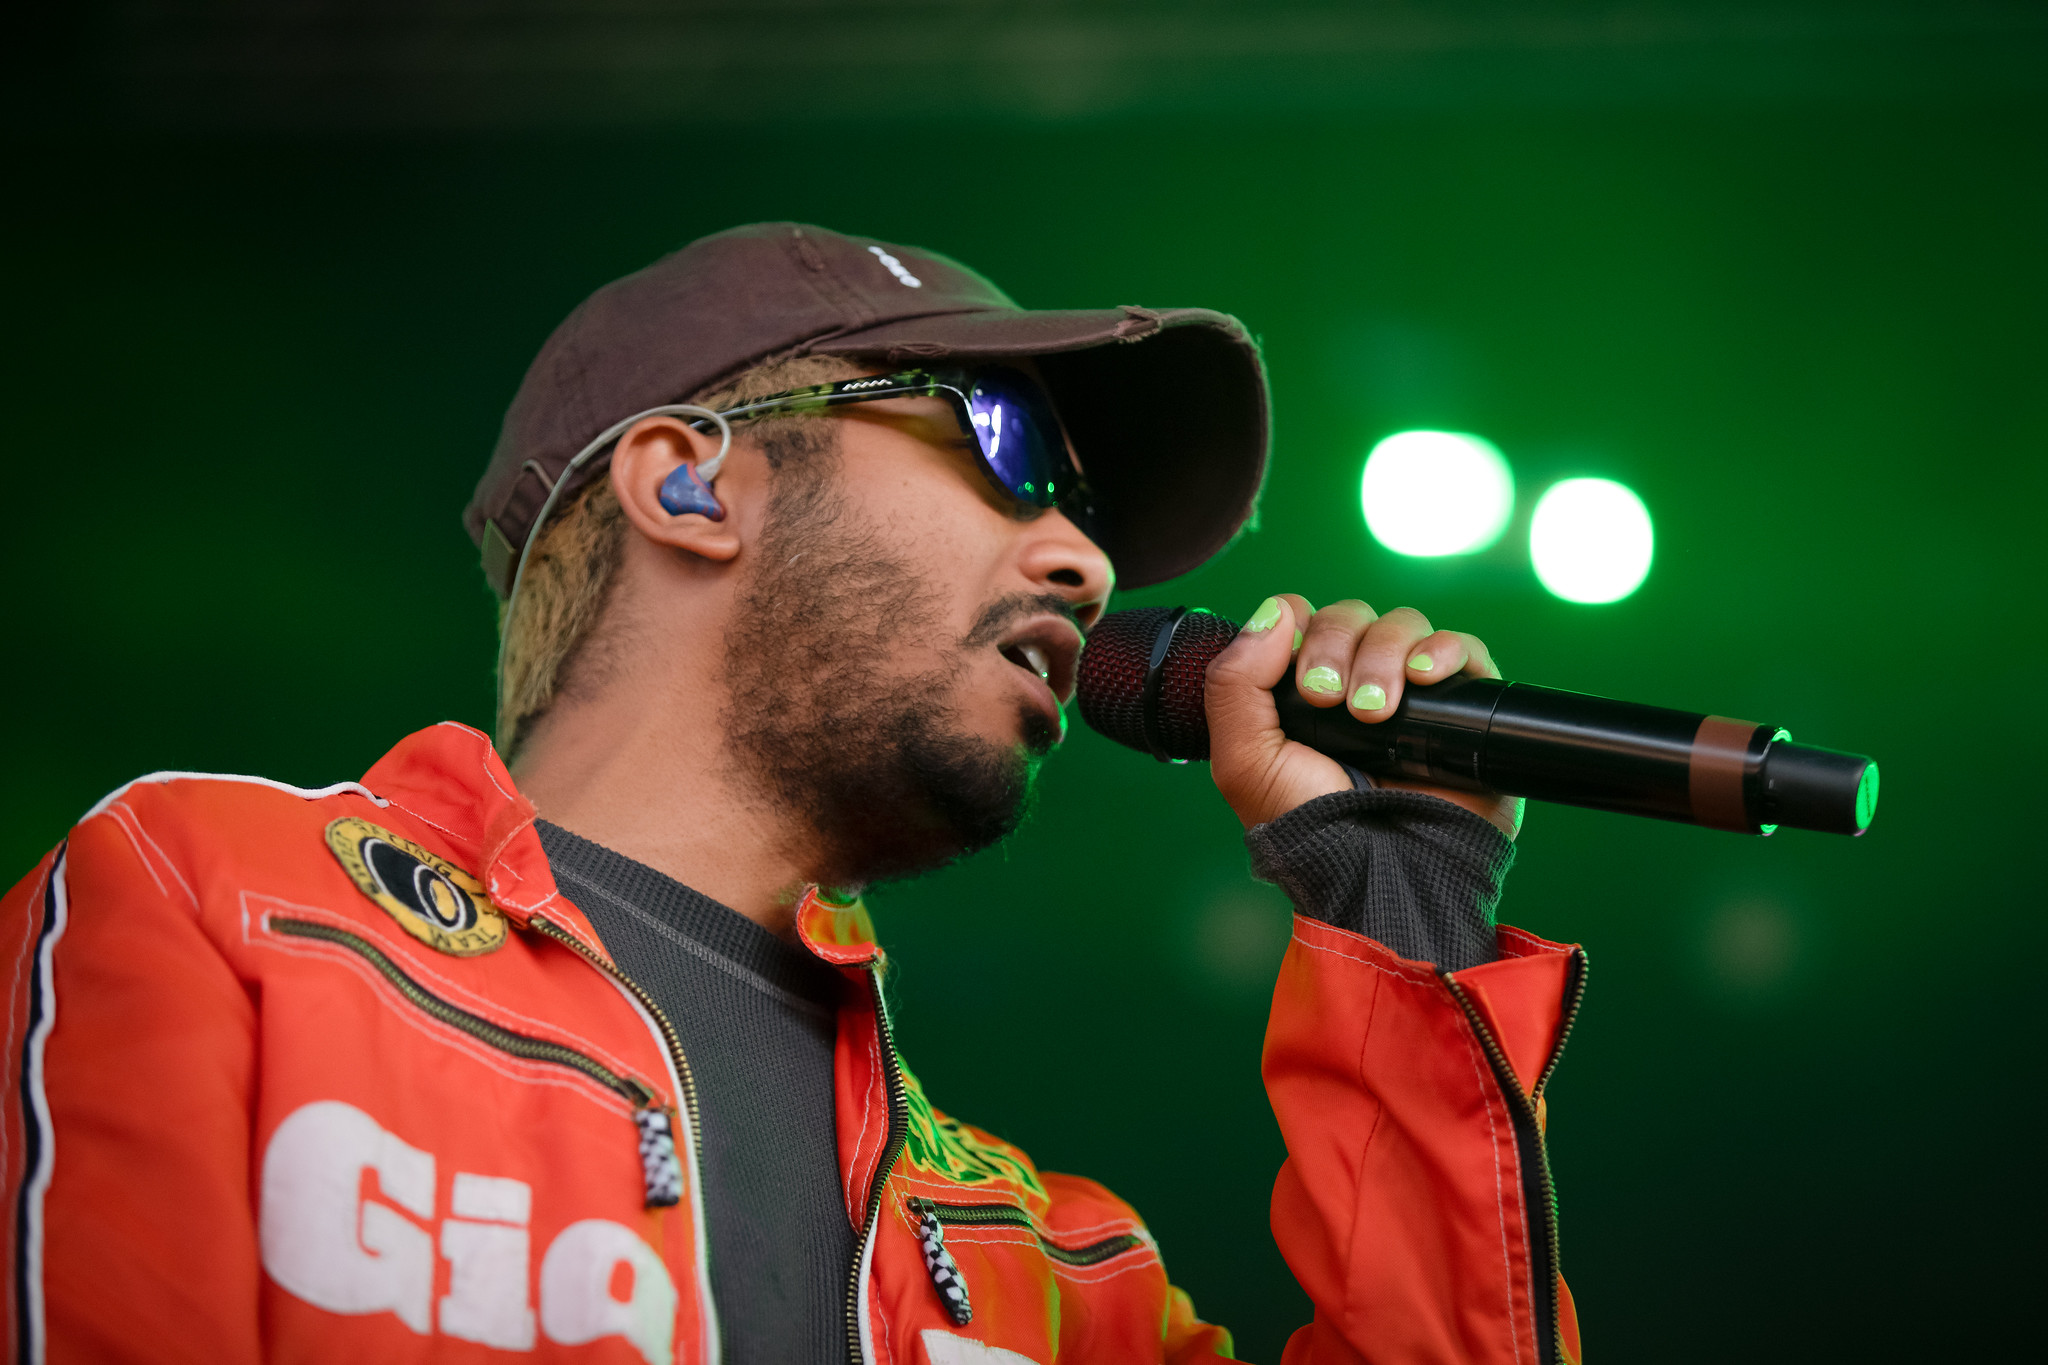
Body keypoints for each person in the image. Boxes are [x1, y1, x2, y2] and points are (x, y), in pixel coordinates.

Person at [0, 223, 1584, 1365]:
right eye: (1005, 444)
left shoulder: (1055, 1269)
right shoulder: (232, 914)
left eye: (1090, 513)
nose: (1089, 563)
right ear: (691, 480)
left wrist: (1404, 921)